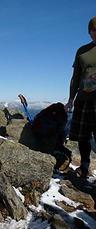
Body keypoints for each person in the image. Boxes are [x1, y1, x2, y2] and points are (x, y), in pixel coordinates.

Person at [65, 16, 96, 178]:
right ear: (90, 32)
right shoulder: (82, 51)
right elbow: (76, 77)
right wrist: (71, 99)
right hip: (83, 99)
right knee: (83, 137)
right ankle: (84, 168)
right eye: (94, 30)